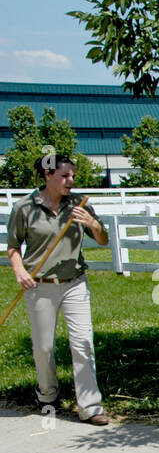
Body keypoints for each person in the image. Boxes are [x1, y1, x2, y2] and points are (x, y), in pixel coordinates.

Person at [6, 155, 110, 425]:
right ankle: (47, 394)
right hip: (40, 285)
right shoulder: (24, 208)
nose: (71, 181)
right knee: (44, 347)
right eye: (65, 176)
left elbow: (103, 239)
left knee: (83, 343)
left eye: (72, 175)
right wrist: (20, 271)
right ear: (47, 175)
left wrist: (92, 224)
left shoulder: (78, 204)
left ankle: (90, 406)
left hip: (75, 283)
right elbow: (13, 247)